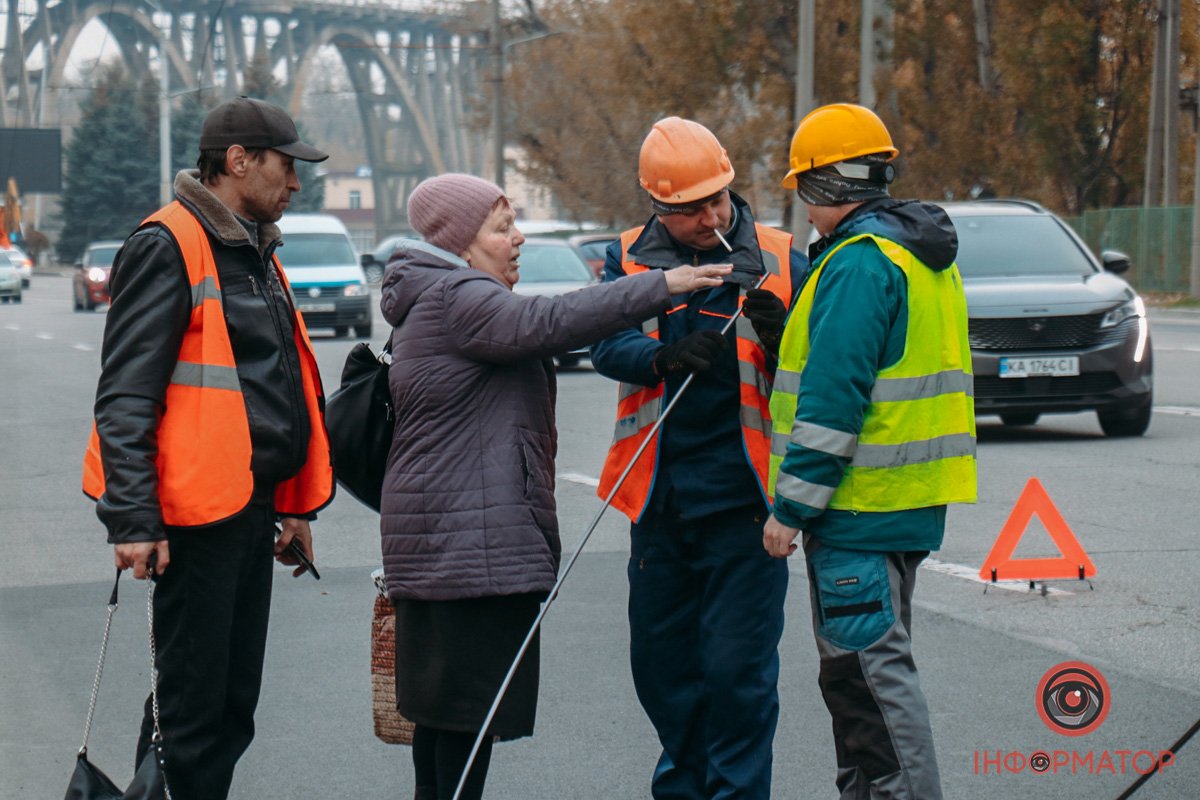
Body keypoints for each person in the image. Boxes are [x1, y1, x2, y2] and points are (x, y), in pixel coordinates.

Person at [378, 172, 731, 800]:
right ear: (461, 242)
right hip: (470, 548)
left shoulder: (435, 294)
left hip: (447, 542)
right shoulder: (460, 296)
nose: (517, 239)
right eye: (501, 226)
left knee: (445, 719)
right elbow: (550, 320)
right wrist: (660, 285)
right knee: (466, 719)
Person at [82, 96, 334, 800]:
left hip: (248, 510)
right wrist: (133, 518)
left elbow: (267, 395)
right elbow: (127, 395)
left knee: (224, 712)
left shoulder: (252, 250)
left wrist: (293, 508)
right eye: (288, 166)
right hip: (194, 521)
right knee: (191, 715)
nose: (296, 183)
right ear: (238, 161)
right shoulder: (169, 244)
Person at [762, 103, 977, 800]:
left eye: (803, 187)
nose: (801, 204)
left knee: (869, 684)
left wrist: (791, 506)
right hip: (899, 501)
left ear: (825, 185)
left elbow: (833, 399)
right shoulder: (912, 254)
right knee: (858, 678)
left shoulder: (858, 264)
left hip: (857, 505)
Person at [589, 117, 808, 799]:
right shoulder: (624, 256)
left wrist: (781, 341)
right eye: (690, 210)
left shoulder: (779, 256)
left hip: (744, 506)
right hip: (657, 500)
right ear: (658, 206)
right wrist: (660, 357)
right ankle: (683, 787)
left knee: (737, 674)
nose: (710, 216)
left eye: (717, 200)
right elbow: (602, 340)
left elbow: (817, 376)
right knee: (662, 669)